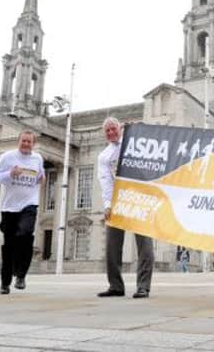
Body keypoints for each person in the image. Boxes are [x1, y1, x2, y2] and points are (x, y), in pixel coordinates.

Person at [97, 117, 154, 299]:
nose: (111, 132)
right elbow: (105, 181)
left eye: (113, 128)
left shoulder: (132, 142)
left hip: (138, 197)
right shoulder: (104, 156)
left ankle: (143, 286)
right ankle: (115, 286)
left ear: (119, 128)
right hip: (117, 200)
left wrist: (137, 129)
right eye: (107, 131)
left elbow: (151, 142)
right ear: (104, 134)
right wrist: (107, 205)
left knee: (144, 243)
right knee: (112, 245)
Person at [0, 130, 44, 295]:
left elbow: (39, 176)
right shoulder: (7, 157)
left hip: (29, 204)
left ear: (33, 143)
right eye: (24, 141)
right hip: (9, 207)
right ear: (18, 141)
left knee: (25, 234)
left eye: (29, 141)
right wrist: (10, 174)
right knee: (9, 246)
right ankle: (5, 283)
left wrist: (41, 179)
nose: (26, 144)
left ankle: (21, 275)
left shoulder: (38, 158)